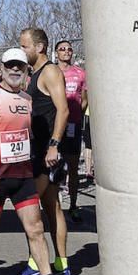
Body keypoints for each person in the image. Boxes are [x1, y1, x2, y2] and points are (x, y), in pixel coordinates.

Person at [0, 49, 80, 275]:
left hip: (23, 176)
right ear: (1, 67)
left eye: (19, 67)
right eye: (10, 66)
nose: (14, 70)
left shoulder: (27, 99)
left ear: (26, 71)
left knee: (35, 227)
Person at [8, 28, 74, 275]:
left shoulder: (50, 72)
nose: (22, 51)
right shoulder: (34, 75)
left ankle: (37, 265)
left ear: (40, 47)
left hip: (47, 153)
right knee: (51, 206)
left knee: (29, 208)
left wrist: (54, 145)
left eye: (25, 46)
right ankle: (62, 266)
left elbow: (64, 110)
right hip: (36, 151)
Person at [55, 41, 88, 222]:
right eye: (62, 49)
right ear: (56, 53)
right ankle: (54, 205)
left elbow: (84, 100)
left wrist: (74, 115)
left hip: (72, 126)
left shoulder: (80, 74)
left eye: (69, 49)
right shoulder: (51, 72)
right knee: (52, 166)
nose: (66, 52)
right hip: (53, 125)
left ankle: (73, 205)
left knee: (73, 167)